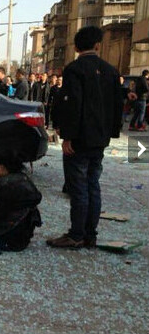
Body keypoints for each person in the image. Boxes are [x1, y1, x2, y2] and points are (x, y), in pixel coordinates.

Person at [47, 26, 122, 249]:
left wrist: (67, 137)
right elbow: (117, 106)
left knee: (78, 187)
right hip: (99, 140)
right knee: (93, 185)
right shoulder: (111, 71)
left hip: (79, 140)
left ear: (77, 47)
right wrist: (111, 133)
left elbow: (72, 103)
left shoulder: (75, 69)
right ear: (98, 45)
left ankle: (76, 234)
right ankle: (90, 235)